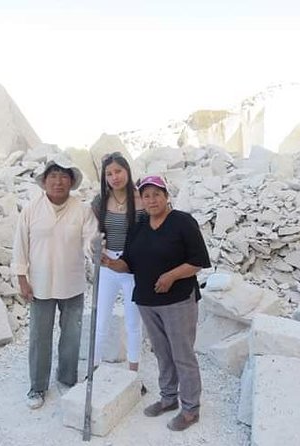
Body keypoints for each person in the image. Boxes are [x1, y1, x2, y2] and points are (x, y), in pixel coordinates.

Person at [104, 175, 211, 431]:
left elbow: (198, 261)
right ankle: (168, 398)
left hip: (178, 300)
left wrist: (171, 275)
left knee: (182, 354)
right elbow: (128, 263)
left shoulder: (182, 222)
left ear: (166, 196)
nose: (151, 200)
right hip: (147, 300)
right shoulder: (138, 227)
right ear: (141, 199)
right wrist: (109, 262)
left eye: (156, 194)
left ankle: (190, 409)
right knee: (162, 352)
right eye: (146, 195)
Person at [12, 155, 98, 410]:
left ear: (71, 182)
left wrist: (96, 250)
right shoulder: (31, 210)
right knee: (40, 337)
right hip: (40, 284)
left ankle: (67, 378)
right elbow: (20, 246)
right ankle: (37, 386)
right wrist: (22, 279)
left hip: (72, 283)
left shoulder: (82, 210)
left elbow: (89, 240)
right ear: (45, 181)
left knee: (71, 335)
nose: (58, 182)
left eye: (64, 177)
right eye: (53, 176)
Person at [91, 152, 143, 372]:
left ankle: (133, 371)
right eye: (109, 173)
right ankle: (93, 369)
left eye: (118, 171)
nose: (114, 177)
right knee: (101, 318)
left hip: (134, 266)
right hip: (107, 264)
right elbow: (92, 231)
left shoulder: (141, 198)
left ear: (127, 171)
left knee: (133, 321)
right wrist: (97, 251)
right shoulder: (100, 201)